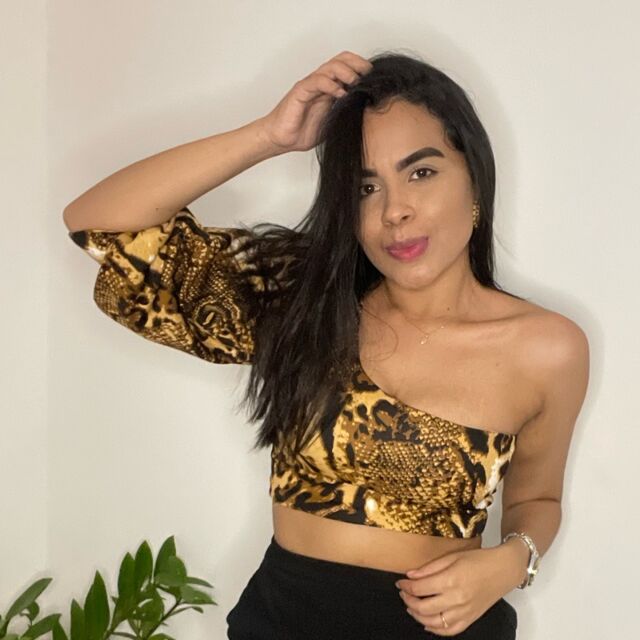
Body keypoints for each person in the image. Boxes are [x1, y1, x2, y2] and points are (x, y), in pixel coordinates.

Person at [63, 50, 590, 639]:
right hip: (280, 622)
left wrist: (513, 562)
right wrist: (269, 136)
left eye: (421, 172)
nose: (394, 211)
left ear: (474, 178)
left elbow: (537, 501)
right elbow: (99, 222)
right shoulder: (303, 298)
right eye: (366, 186)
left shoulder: (548, 348)